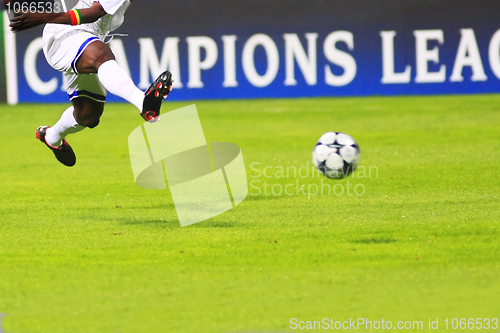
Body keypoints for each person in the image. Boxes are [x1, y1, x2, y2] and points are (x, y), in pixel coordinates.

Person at [8, 0, 173, 167]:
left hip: (87, 35)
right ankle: (143, 103)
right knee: (101, 54)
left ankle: (52, 136)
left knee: (88, 116)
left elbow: (94, 13)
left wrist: (42, 17)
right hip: (62, 35)